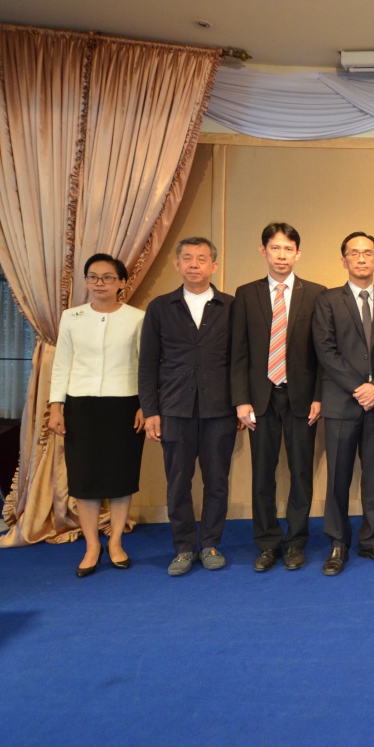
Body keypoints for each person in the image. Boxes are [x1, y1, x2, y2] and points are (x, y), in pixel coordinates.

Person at [139, 237, 237, 577]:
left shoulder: (231, 306)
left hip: (220, 409)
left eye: (202, 258)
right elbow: (147, 363)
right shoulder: (160, 307)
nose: (195, 264)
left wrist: (241, 404)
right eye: (188, 258)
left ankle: (210, 543)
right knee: (178, 482)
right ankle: (183, 547)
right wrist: (150, 410)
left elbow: (240, 361)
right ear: (177, 264)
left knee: (217, 481)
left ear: (214, 266)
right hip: (174, 409)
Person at [232, 223, 324, 573]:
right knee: (262, 475)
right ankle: (268, 543)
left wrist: (319, 396)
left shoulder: (315, 293)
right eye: (275, 248)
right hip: (261, 399)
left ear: (298, 253)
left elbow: (322, 354)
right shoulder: (246, 294)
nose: (281, 255)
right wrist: (241, 400)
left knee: (301, 473)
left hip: (302, 398)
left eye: (288, 249)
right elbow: (239, 352)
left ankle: (296, 542)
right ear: (263, 251)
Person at [48, 253, 145, 577]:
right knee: (84, 478)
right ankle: (92, 545)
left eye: (107, 277)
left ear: (121, 283)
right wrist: (56, 406)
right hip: (81, 406)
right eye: (93, 277)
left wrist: (146, 405)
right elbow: (62, 363)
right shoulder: (71, 317)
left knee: (121, 477)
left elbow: (146, 365)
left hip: (125, 405)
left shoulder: (137, 318)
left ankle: (115, 542)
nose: (99, 283)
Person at [313, 231, 374, 575]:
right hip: (341, 403)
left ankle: (372, 539)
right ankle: (338, 542)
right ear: (343, 260)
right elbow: (325, 350)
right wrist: (359, 387)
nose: (361, 258)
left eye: (368, 253)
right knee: (338, 477)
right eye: (354, 253)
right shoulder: (328, 300)